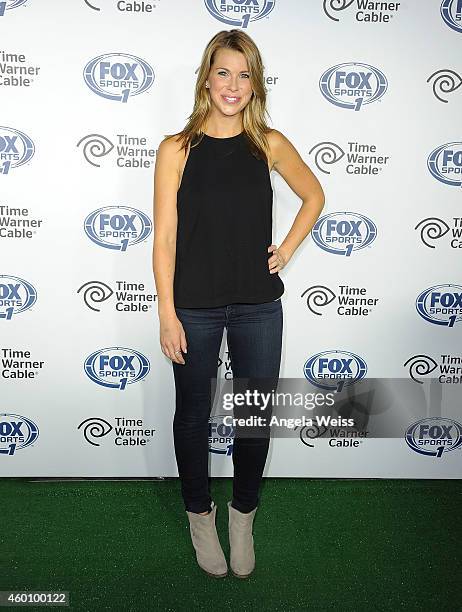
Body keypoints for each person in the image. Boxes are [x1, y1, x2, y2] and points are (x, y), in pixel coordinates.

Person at [152, 29, 325, 579]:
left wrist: (287, 249)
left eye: (244, 74)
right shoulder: (175, 150)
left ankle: (242, 517)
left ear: (255, 84)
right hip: (194, 309)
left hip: (257, 306)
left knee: (254, 417)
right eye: (224, 72)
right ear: (207, 77)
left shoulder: (268, 144)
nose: (233, 84)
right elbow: (164, 241)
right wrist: (167, 313)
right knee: (193, 419)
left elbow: (314, 195)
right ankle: (200, 518)